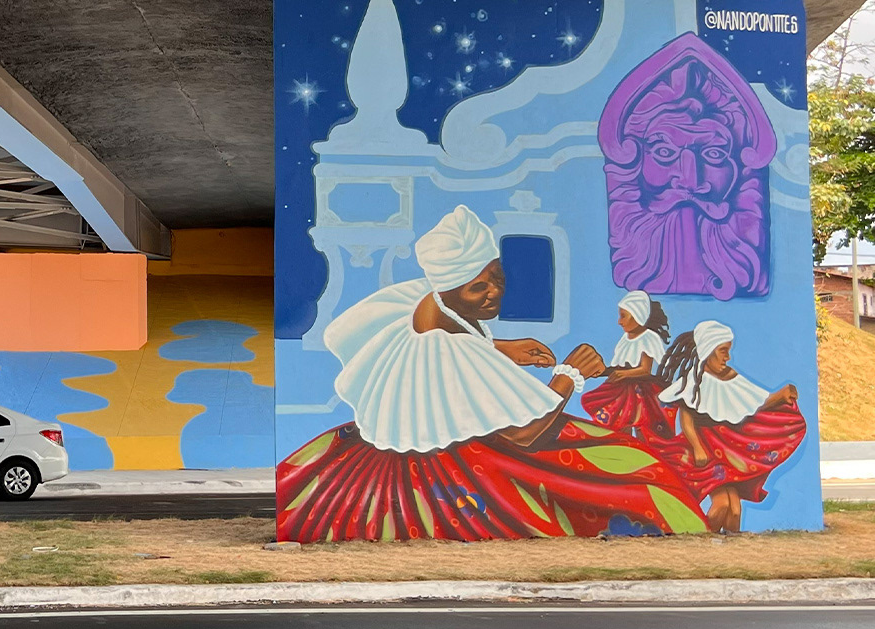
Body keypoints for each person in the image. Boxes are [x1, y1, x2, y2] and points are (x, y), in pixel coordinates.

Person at [277, 206, 708, 542]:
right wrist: (569, 375)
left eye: (497, 278)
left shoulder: (423, 301)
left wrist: (500, 347)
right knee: (633, 478)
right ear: (449, 289)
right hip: (455, 469)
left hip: (421, 441)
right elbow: (524, 434)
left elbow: (455, 337)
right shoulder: (447, 348)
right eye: (478, 288)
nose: (494, 293)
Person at [652, 321, 806, 533]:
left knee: (734, 510)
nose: (727, 357)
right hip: (705, 450)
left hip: (727, 449)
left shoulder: (732, 377)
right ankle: (703, 542)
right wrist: (697, 447)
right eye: (722, 351)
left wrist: (780, 396)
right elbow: (686, 419)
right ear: (708, 350)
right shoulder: (693, 381)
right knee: (722, 505)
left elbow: (754, 404)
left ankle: (729, 547)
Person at [579, 290, 672, 439]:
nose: (619, 321)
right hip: (623, 389)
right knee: (620, 424)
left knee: (644, 426)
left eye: (623, 316)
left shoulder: (649, 338)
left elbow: (645, 370)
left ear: (637, 315)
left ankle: (644, 449)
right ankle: (625, 446)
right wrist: (603, 371)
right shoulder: (625, 339)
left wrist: (622, 374)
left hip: (642, 392)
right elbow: (621, 365)